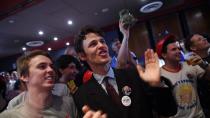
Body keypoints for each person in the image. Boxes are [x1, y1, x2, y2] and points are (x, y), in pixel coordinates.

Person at [73, 25, 177, 118]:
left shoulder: (134, 75)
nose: (101, 45)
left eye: (102, 41)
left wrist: (157, 84)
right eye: (93, 44)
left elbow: (168, 111)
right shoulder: (81, 96)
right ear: (82, 55)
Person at [0, 50, 77, 118]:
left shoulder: (68, 103)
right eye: (42, 66)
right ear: (24, 76)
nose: (50, 70)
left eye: (51, 66)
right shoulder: (10, 114)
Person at [156, 34, 210, 118]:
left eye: (178, 48)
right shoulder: (159, 75)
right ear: (164, 55)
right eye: (174, 49)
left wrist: (204, 65)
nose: (178, 51)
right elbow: (160, 106)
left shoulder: (190, 64)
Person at [184, 33, 210, 117]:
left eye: (203, 37)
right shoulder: (192, 65)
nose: (205, 39)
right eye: (199, 39)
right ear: (193, 48)